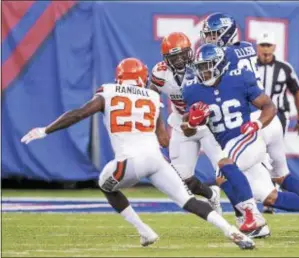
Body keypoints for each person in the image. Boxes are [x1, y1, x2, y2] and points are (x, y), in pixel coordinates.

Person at [20, 57, 256, 250]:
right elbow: (164, 139)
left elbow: (79, 114)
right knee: (189, 201)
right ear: (142, 79)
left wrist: (45, 130)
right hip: (156, 160)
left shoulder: (109, 91)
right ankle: (233, 232)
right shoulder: (153, 97)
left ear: (120, 77)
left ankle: (145, 231)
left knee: (106, 185)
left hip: (129, 161)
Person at [200, 12, 299, 238]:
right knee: (281, 176)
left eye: (214, 34)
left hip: (253, 123)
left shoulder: (226, 56)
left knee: (226, 173)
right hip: (271, 119)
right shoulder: (245, 48)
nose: (211, 40)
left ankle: (253, 220)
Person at [149, 32, 222, 214]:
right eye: (175, 56)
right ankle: (211, 194)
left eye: (183, 54)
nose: (181, 59)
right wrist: (159, 129)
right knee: (180, 176)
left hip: (208, 124)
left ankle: (244, 213)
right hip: (182, 124)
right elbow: (151, 97)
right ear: (166, 59)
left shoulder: (203, 65)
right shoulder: (160, 73)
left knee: (225, 171)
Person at [256, 31, 299, 135]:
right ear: (257, 47)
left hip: (278, 113)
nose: (266, 48)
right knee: (255, 148)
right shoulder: (249, 66)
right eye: (263, 45)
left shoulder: (284, 68)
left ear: (274, 47)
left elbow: (298, 93)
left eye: (269, 45)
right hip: (255, 114)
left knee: (276, 149)